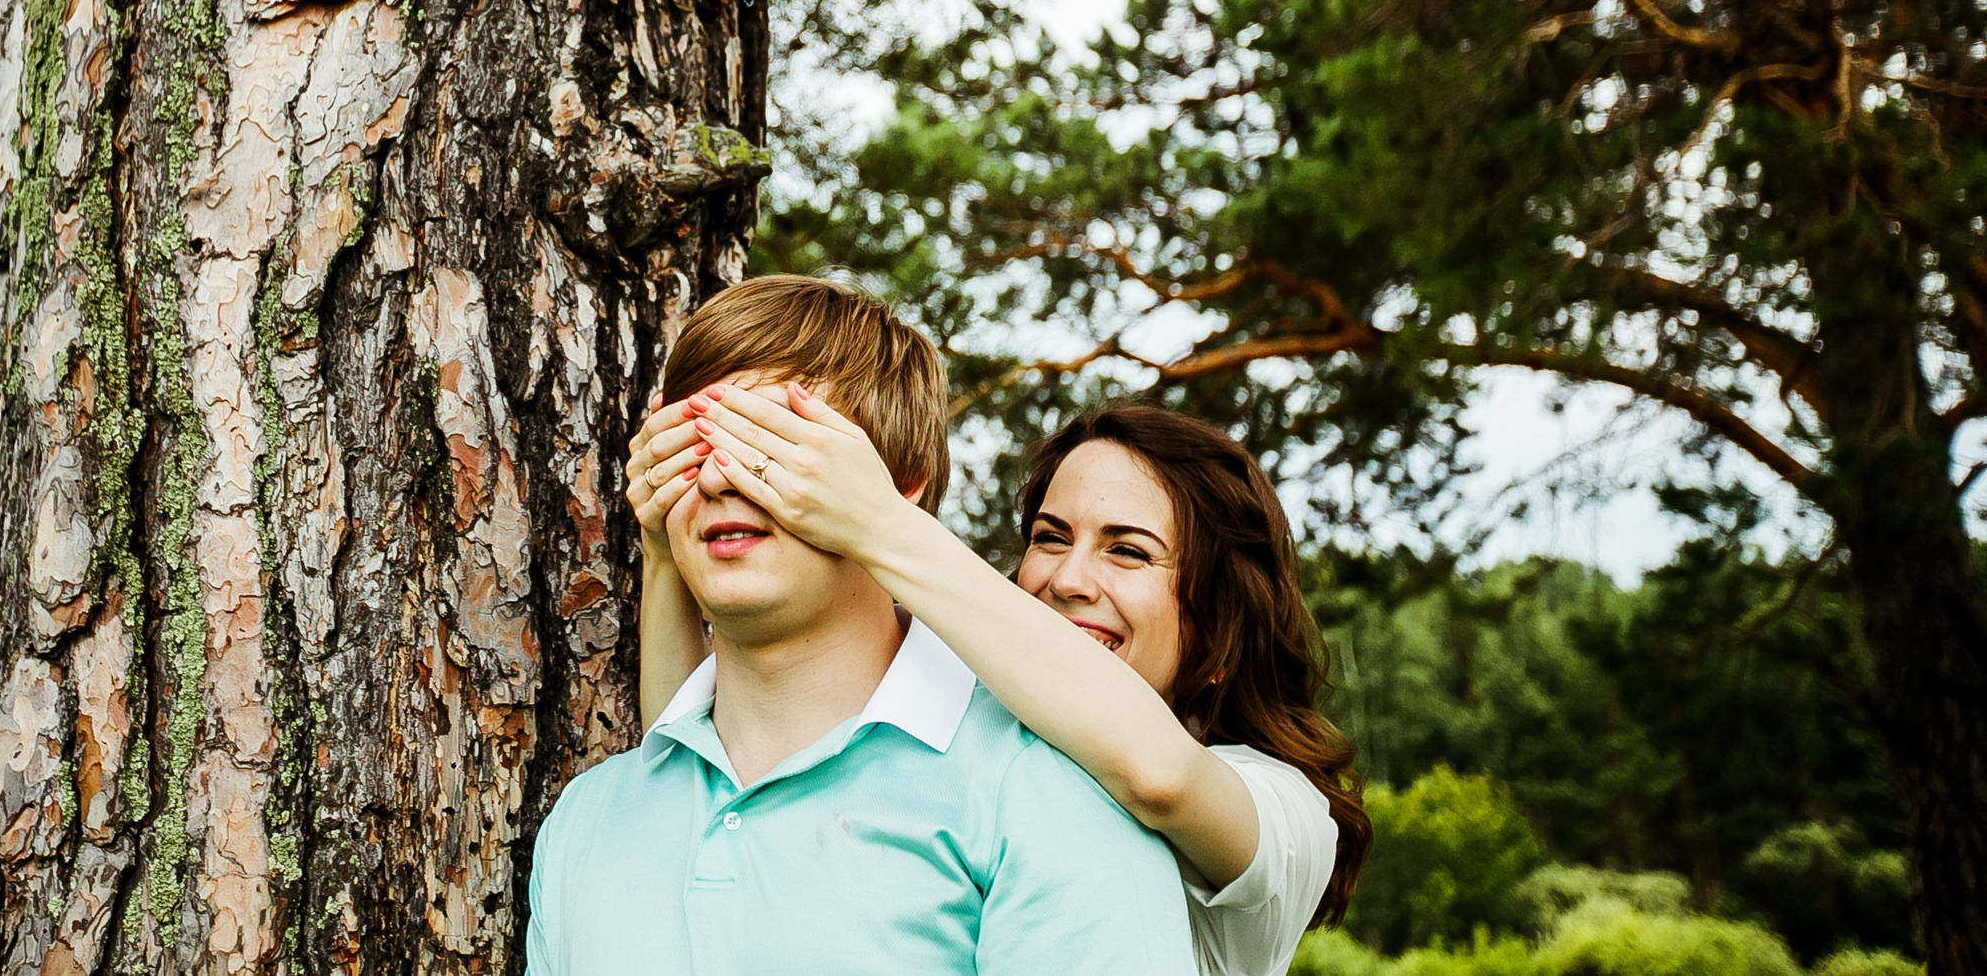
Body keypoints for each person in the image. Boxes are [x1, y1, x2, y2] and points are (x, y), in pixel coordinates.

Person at [526, 276, 1199, 976]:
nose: (721, 479)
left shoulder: (1046, 792)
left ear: (900, 484)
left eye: (773, 445)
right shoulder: (585, 822)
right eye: (697, 444)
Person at [628, 380, 1371, 976]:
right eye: (1050, 538)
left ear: (1220, 627)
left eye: (1128, 551)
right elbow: (698, 752)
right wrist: (664, 552)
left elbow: (1159, 775)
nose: (1067, 579)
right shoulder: (979, 734)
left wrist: (877, 521)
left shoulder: (1288, 814)